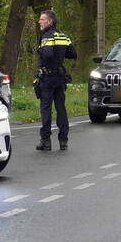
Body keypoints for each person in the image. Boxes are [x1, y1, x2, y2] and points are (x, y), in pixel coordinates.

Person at [34, 10, 77, 151]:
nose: (39, 22)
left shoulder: (47, 36)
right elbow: (73, 54)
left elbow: (47, 54)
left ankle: (45, 141)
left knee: (46, 109)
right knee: (61, 108)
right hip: (60, 77)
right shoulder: (63, 36)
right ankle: (63, 140)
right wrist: (60, 54)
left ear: (50, 21)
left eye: (42, 19)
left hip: (47, 77)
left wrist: (39, 49)